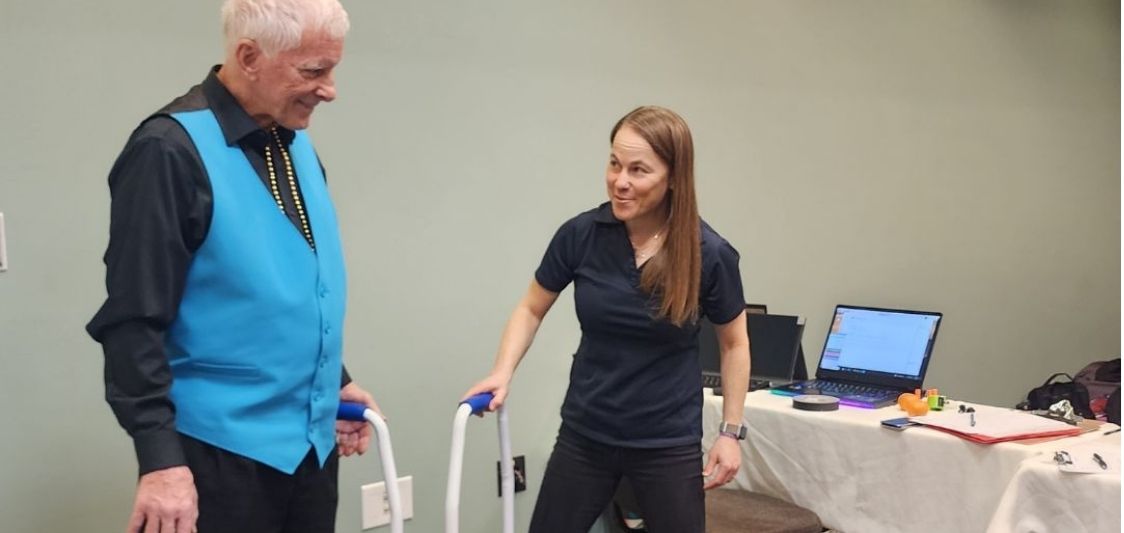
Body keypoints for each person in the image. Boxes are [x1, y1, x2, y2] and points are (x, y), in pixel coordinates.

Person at [86, 1, 378, 531]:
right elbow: (133, 321)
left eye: (332, 68)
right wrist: (160, 463)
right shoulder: (167, 150)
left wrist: (333, 381)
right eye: (313, 71)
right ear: (248, 56)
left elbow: (277, 287)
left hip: (310, 456)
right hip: (217, 459)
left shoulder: (294, 146)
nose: (330, 88)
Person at [463, 106, 751, 533]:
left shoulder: (708, 253)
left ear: (673, 177)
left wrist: (730, 432)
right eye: (615, 163)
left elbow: (735, 344)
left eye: (639, 170)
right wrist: (502, 373)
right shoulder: (581, 235)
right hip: (586, 432)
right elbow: (530, 308)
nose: (620, 181)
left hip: (666, 441)